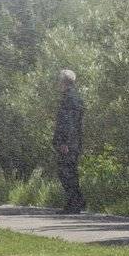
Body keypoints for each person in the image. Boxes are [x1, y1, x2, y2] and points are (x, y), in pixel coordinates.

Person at [54, 69, 86, 214]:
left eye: (59, 80)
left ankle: (75, 203)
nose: (58, 83)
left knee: (66, 173)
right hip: (74, 141)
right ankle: (76, 202)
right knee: (70, 172)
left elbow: (69, 123)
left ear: (63, 82)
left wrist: (64, 142)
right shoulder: (75, 97)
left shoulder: (69, 99)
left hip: (69, 143)